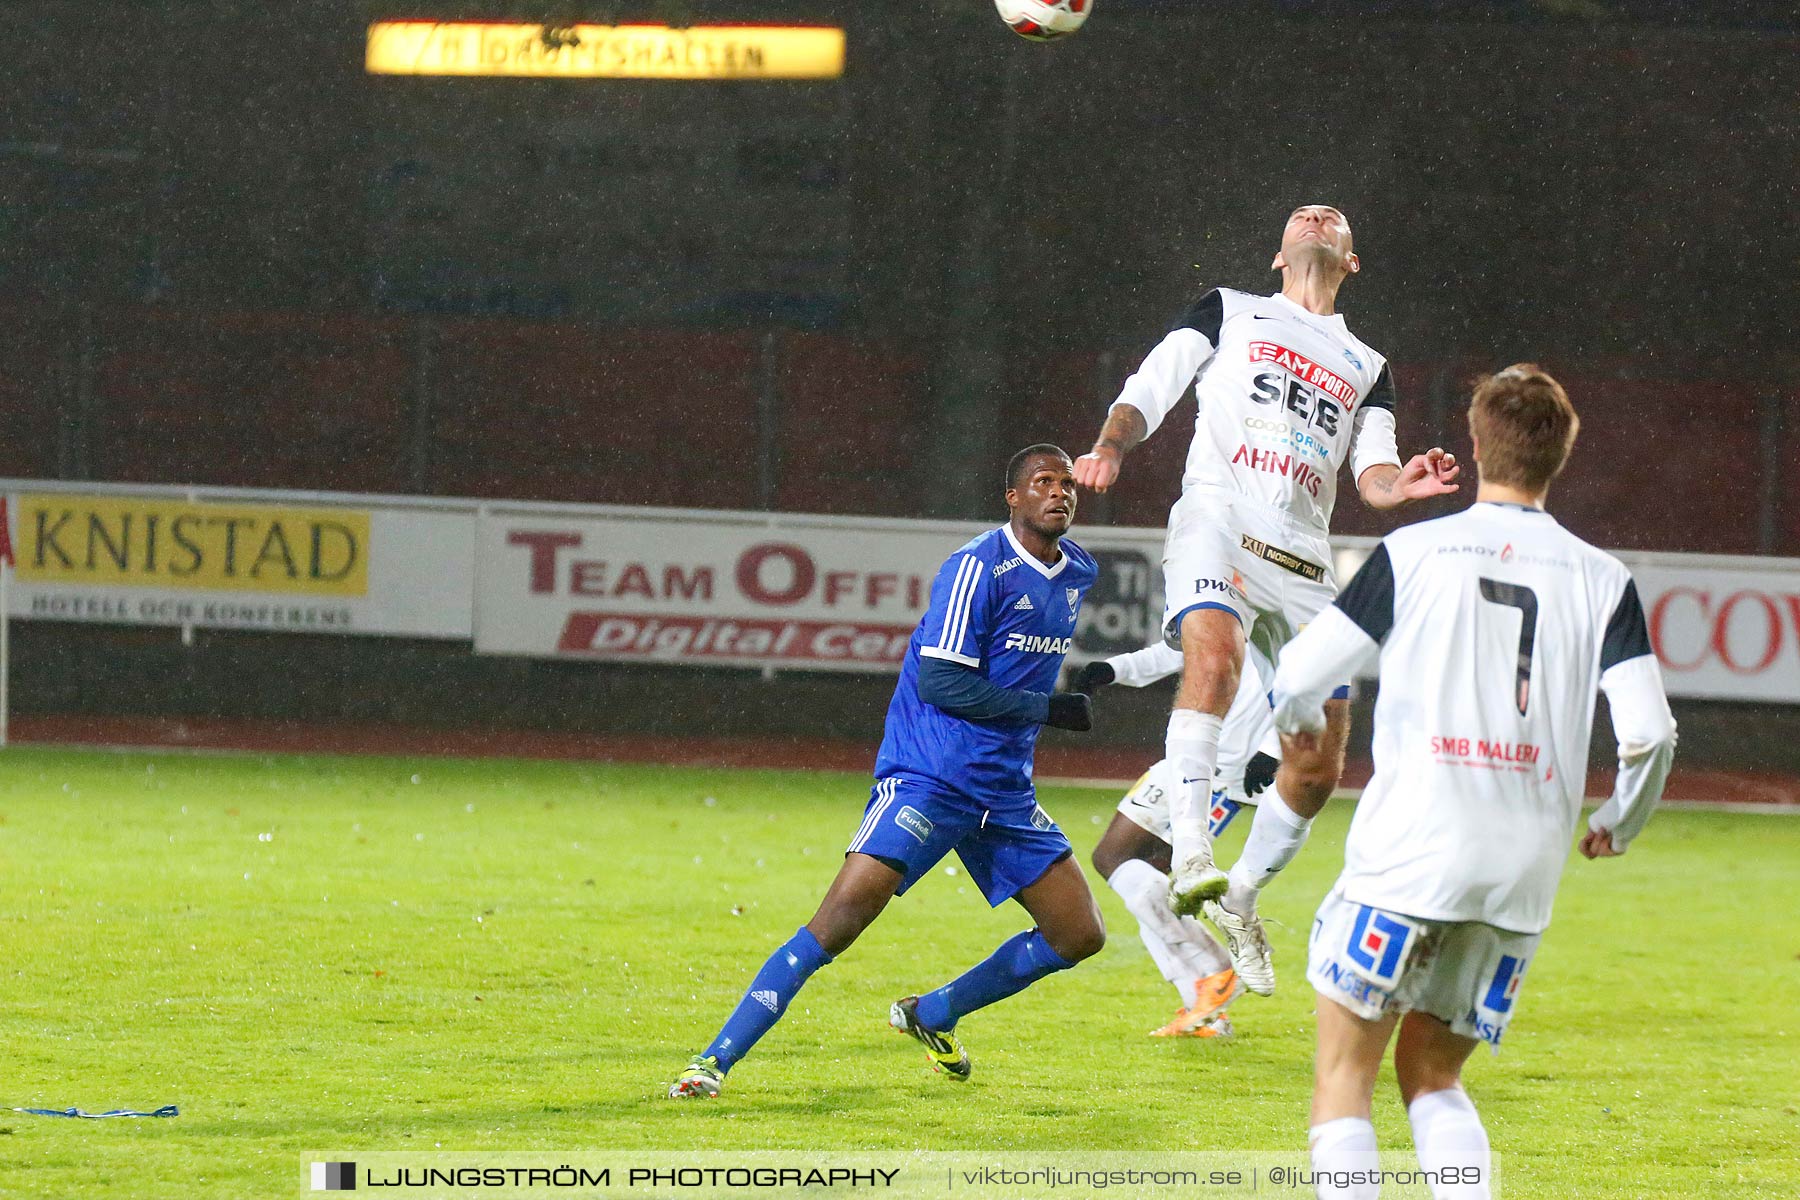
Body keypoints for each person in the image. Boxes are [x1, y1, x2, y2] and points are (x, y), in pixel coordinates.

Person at [1270, 366, 1676, 1198]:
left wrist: (1299, 718)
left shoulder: (1414, 550)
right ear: (1561, 452)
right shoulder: (1603, 577)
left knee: (1344, 1079)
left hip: (1410, 854)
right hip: (1519, 875)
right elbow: (1648, 731)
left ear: (1477, 440)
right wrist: (1621, 823)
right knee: (1435, 1076)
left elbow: (1300, 672)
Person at [1072, 204, 1460, 996]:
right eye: (1303, 214)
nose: (1318, 216)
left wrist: (1402, 485)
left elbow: (1373, 475)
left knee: (1316, 766)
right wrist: (1109, 445)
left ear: (1351, 260)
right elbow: (1149, 386)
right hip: (1219, 519)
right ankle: (1190, 856)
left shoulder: (1367, 362)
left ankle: (1241, 893)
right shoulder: (1228, 309)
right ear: (1279, 254)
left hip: (1304, 562)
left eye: (1335, 219)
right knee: (1212, 659)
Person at [669, 445, 1103, 1098]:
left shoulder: (1078, 572)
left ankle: (931, 1014)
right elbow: (941, 682)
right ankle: (712, 1062)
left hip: (1004, 793)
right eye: (1043, 481)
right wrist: (1049, 708)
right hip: (930, 777)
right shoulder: (976, 570)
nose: (1060, 492)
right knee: (842, 917)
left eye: (1068, 483)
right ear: (1012, 497)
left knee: (1078, 934)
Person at [1076, 644, 1282, 1037]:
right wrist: (1113, 669)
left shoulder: (1268, 610)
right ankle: (1204, 1011)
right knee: (1150, 890)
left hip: (1216, 767)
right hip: (1206, 761)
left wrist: (1271, 749)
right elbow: (1178, 650)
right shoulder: (1235, 607)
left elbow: (1307, 684)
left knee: (1111, 858)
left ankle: (1217, 970)